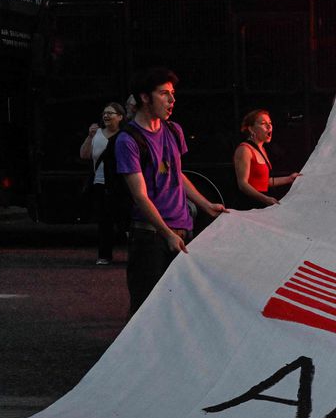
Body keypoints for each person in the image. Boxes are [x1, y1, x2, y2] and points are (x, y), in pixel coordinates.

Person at [115, 68, 226, 316]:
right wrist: (166, 234)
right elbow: (140, 195)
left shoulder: (174, 130)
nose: (172, 100)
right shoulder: (128, 140)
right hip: (151, 237)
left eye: (172, 94)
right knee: (147, 311)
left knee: (181, 307)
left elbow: (177, 174)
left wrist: (206, 205)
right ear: (145, 97)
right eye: (164, 94)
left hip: (182, 231)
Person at [79, 102, 125, 265]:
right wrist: (90, 137)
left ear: (120, 117)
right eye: (104, 113)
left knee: (123, 220)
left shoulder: (124, 135)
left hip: (119, 185)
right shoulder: (97, 134)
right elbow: (84, 155)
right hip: (100, 183)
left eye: (110, 113)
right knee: (104, 221)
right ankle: (104, 255)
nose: (106, 116)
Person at [233, 110, 302, 209]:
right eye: (263, 124)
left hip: (260, 203)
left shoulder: (262, 149)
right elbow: (242, 184)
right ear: (251, 129)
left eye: (270, 123)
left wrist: (289, 179)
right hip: (249, 205)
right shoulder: (244, 150)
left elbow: (263, 181)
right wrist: (265, 199)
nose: (269, 127)